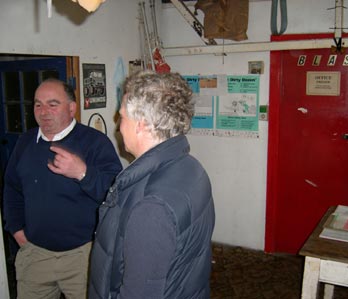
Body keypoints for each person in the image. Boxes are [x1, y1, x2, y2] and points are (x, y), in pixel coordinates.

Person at [88, 70, 215, 299]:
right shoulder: (191, 167)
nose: (118, 127)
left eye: (122, 117)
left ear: (141, 125)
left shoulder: (151, 206)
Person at [3, 78, 122, 299]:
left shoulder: (96, 143)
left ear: (72, 108)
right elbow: (11, 188)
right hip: (35, 253)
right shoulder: (25, 142)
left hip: (83, 256)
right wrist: (17, 229)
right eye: (38, 104)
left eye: (53, 104)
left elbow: (115, 194)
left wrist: (82, 173)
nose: (43, 111)